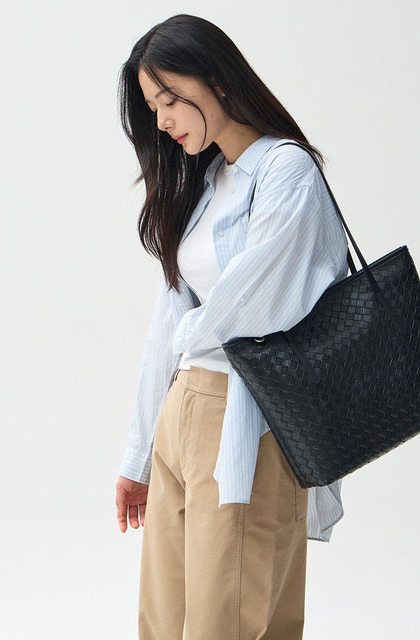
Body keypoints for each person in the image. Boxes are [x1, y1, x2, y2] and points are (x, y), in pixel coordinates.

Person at [115, 13, 349, 640]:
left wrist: (189, 340)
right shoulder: (209, 180)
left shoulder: (286, 171)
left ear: (216, 78)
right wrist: (139, 455)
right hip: (182, 413)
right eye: (152, 106)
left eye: (169, 99)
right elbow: (168, 319)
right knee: (165, 621)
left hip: (245, 416)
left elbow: (253, 305)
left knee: (230, 620)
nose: (162, 120)